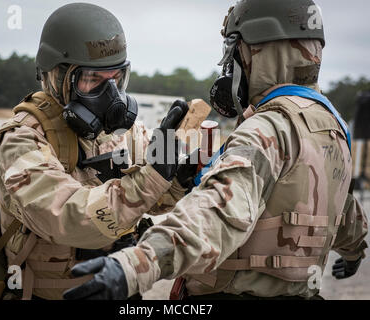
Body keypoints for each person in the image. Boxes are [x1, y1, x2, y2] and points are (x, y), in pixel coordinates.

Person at [63, 0, 368, 300]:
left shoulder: (264, 130)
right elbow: (340, 208)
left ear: (260, 53)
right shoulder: (332, 125)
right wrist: (355, 250)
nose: (229, 66)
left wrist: (134, 265)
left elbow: (216, 213)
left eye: (235, 52)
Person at [0, 3, 193, 300]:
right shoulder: (20, 140)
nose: (110, 96)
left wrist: (176, 180)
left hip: (117, 290)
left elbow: (149, 203)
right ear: (57, 77)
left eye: (116, 80)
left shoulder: (121, 130)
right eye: (93, 80)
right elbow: (69, 220)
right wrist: (152, 176)